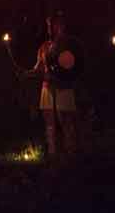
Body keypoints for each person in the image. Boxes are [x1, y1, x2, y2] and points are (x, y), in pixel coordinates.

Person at [32, 12, 81, 156]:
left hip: (63, 87)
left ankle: (71, 154)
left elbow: (74, 67)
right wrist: (28, 73)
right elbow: (39, 67)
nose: (51, 28)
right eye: (49, 25)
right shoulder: (44, 47)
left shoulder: (69, 45)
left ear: (61, 26)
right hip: (47, 88)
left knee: (66, 122)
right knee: (49, 123)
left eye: (54, 25)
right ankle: (53, 155)